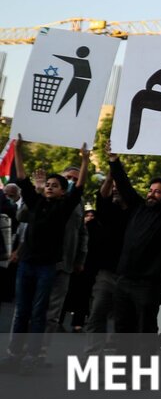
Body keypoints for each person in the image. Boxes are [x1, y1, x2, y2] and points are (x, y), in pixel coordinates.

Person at [4, 138, 89, 372]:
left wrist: (85, 160)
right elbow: (22, 178)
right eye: (48, 184)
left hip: (47, 267)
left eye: (55, 185)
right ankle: (14, 354)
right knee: (22, 311)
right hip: (27, 264)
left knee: (39, 311)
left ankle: (33, 355)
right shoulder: (36, 202)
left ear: (63, 192)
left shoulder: (64, 208)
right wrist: (18, 149)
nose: (50, 187)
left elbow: (79, 187)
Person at [107, 143, 161, 341]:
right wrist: (114, 160)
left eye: (158, 192)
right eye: (150, 190)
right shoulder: (138, 208)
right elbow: (124, 186)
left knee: (145, 330)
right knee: (122, 330)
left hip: (147, 284)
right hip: (124, 280)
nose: (151, 194)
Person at [39, 161, 88, 360]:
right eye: (68, 178)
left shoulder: (78, 202)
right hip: (40, 262)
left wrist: (80, 258)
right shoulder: (44, 197)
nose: (72, 182)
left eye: (75, 179)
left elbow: (82, 232)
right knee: (33, 307)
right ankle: (22, 347)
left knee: (53, 312)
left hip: (64, 264)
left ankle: (41, 351)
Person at [84, 171, 129, 354]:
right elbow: (103, 196)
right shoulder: (108, 211)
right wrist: (111, 176)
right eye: (113, 187)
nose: (115, 190)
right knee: (97, 313)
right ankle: (93, 356)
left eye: (119, 187)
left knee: (124, 319)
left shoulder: (138, 212)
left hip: (131, 276)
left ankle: (121, 358)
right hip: (107, 274)